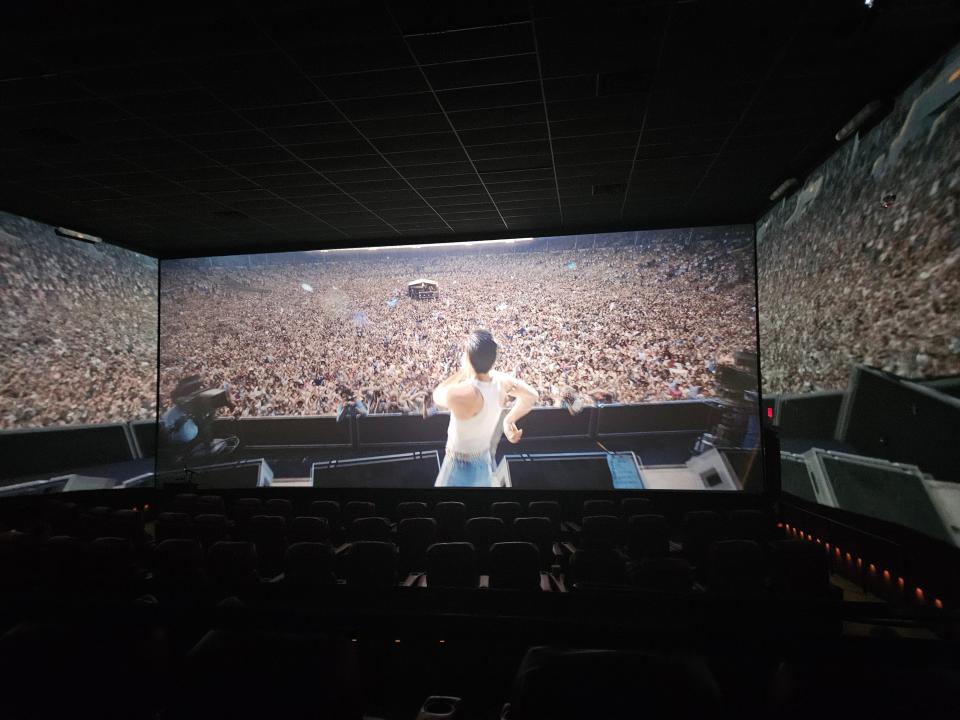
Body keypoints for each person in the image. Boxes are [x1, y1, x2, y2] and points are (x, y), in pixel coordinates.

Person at [432, 329, 538, 487]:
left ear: (467, 358)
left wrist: (463, 370)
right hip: (484, 462)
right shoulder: (502, 382)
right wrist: (508, 421)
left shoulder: (462, 394)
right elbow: (531, 396)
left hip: (457, 466)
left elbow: (437, 394)